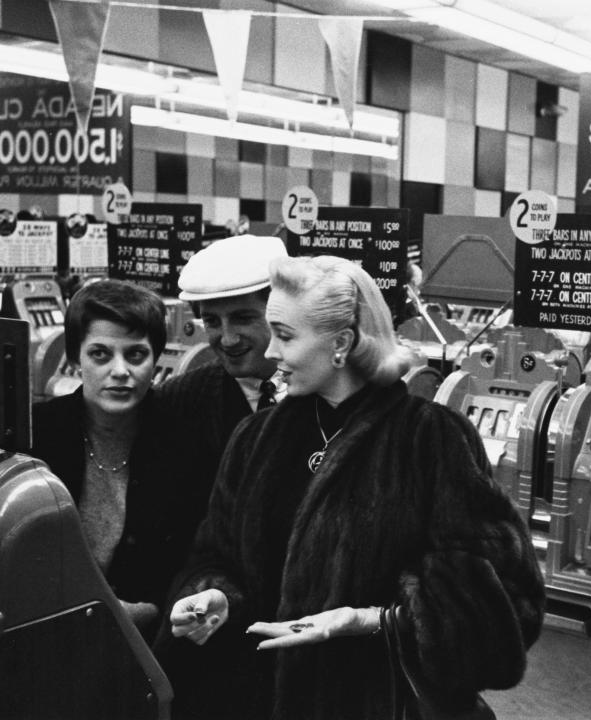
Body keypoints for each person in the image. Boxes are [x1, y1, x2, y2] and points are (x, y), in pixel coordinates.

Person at [167, 255, 545, 719]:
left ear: (342, 343)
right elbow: (216, 553)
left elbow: (509, 602)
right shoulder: (255, 439)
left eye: (285, 336)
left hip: (378, 703)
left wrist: (371, 620)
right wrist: (215, 595)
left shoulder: (430, 439)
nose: (270, 353)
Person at [29, 280, 203, 638]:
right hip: (42, 632)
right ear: (76, 358)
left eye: (136, 354)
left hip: (145, 641)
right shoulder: (36, 434)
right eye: (101, 354)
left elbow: (193, 557)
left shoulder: (186, 443)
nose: (120, 370)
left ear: (156, 358)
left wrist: (151, 609)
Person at [156, 234, 289, 493]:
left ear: (281, 309)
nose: (228, 340)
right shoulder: (178, 400)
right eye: (212, 322)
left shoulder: (324, 387)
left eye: (242, 318)